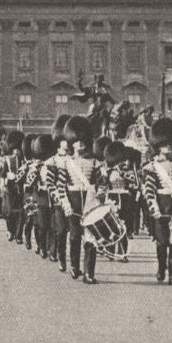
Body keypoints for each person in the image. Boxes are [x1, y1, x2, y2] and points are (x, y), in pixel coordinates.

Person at [55, 116, 102, 284]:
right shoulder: (66, 163)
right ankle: (74, 266)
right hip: (73, 201)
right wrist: (66, 204)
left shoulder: (95, 163)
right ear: (71, 142)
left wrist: (99, 199)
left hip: (90, 202)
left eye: (82, 140)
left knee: (91, 238)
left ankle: (89, 273)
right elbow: (61, 186)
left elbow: (101, 184)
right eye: (76, 141)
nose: (80, 144)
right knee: (74, 237)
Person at [141, 118, 172, 285]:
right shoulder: (151, 167)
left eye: (169, 143)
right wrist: (154, 209)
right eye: (164, 143)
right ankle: (162, 267)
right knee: (162, 243)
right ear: (158, 145)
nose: (168, 146)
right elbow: (149, 191)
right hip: (161, 206)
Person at [44, 115, 71, 268]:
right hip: (60, 202)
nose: (66, 152)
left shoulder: (72, 161)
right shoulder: (52, 162)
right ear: (58, 148)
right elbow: (50, 183)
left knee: (74, 234)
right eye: (64, 149)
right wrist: (58, 197)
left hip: (74, 201)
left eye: (68, 149)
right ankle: (61, 258)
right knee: (61, 232)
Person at [30, 134, 55, 259]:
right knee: (42, 226)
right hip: (42, 199)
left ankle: (51, 250)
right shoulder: (36, 168)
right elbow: (31, 184)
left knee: (52, 226)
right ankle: (42, 247)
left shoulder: (54, 166)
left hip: (53, 199)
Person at [0, 130, 26, 241]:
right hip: (9, 189)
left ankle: (19, 235)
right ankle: (10, 230)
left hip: (20, 189)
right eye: (15, 149)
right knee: (9, 212)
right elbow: (2, 175)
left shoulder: (25, 161)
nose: (17, 151)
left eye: (18, 149)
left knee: (21, 212)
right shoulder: (8, 161)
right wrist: (3, 185)